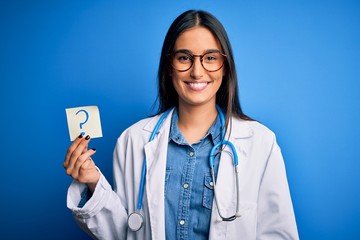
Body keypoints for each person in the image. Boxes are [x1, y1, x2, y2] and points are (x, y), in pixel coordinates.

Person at [64, 10, 299, 240]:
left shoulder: (260, 143)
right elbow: (124, 233)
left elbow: (278, 233)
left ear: (225, 67)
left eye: (210, 58)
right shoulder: (133, 140)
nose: (197, 72)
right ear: (169, 65)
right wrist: (93, 182)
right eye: (184, 58)